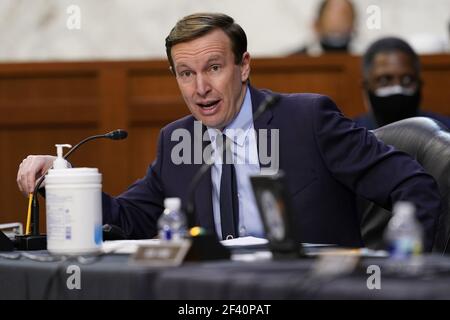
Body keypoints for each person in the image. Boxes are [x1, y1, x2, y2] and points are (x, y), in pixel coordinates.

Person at [17, 13, 442, 250]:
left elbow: (415, 184)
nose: (200, 88)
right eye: (185, 73)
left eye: (213, 68)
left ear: (244, 66)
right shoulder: (176, 141)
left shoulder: (308, 119)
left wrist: (393, 265)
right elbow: (132, 219)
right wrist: (62, 182)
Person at [354, 37, 450, 130]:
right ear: (365, 86)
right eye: (384, 80)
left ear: (420, 84)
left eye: (407, 80)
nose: (397, 88)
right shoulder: (351, 136)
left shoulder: (444, 132)